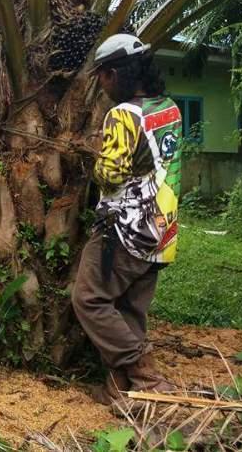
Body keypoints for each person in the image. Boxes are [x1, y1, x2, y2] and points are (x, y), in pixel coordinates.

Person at [72, 34, 182, 404]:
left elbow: (110, 175)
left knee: (89, 298)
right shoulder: (168, 108)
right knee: (130, 307)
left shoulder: (123, 114)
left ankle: (143, 373)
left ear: (116, 72)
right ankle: (121, 391)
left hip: (125, 230)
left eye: (102, 76)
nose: (101, 84)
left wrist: (94, 152)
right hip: (163, 228)